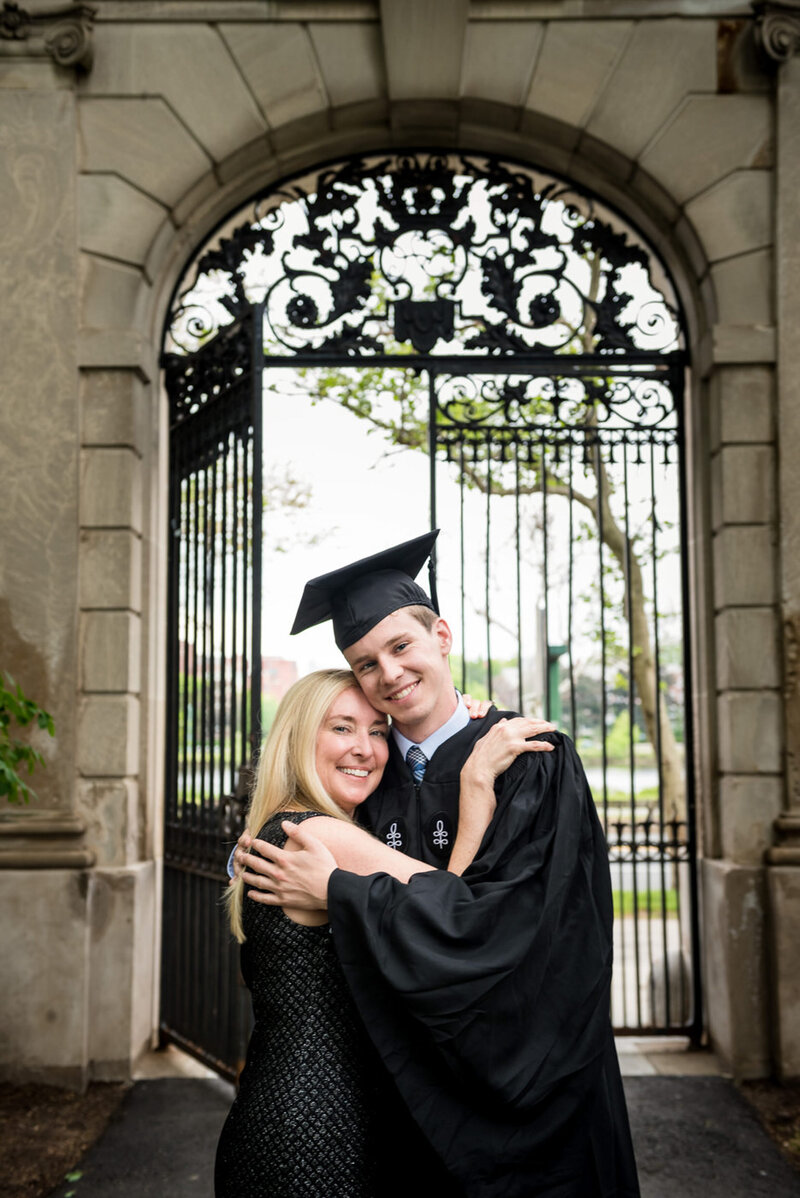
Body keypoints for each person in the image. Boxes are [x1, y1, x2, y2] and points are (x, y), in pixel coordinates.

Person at [236, 531, 641, 1197]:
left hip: (532, 1103)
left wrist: (341, 894)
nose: (389, 673)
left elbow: (518, 931)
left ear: (441, 638)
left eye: (401, 647)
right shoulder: (361, 780)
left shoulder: (526, 758)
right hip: (401, 1107)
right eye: (366, 664)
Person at [216, 666, 546, 1198]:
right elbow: (449, 910)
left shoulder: (282, 825)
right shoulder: (317, 833)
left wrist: (456, 712)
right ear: (299, 738)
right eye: (342, 728)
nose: (365, 748)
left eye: (377, 730)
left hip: (290, 1110)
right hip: (319, 1131)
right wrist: (475, 782)